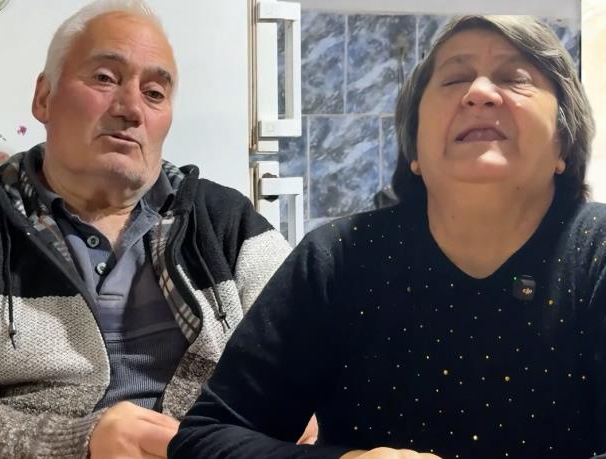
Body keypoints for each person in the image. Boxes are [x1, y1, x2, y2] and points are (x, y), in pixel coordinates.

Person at [169, 15, 606, 459]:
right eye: (454, 78)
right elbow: (204, 438)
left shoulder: (598, 254)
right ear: (413, 147)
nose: (478, 93)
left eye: (515, 78)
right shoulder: (337, 259)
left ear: (564, 143)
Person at [0, 0, 294, 457]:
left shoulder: (228, 223)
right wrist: (77, 444)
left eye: (154, 93)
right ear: (44, 98)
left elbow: (321, 352)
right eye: (104, 78)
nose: (131, 109)